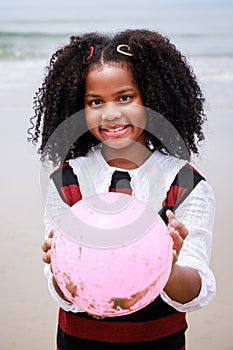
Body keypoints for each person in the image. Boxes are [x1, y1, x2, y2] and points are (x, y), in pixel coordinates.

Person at [28, 29, 216, 350]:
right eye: (95, 102)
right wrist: (60, 268)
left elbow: (195, 292)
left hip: (159, 340)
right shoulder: (66, 182)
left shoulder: (185, 184)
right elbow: (64, 295)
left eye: (125, 98)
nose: (111, 113)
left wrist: (167, 267)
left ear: (153, 98)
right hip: (79, 341)